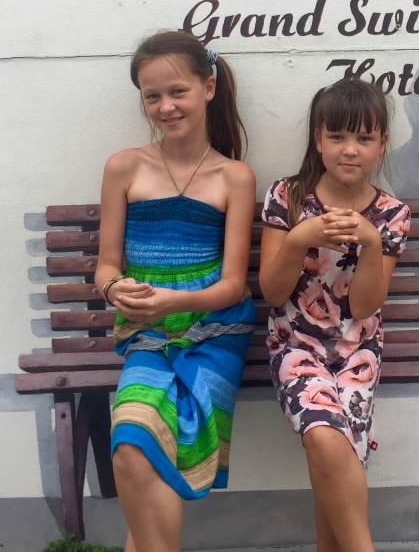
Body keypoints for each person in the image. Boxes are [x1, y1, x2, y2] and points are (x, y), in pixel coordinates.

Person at [94, 31, 256, 552]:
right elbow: (106, 266)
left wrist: (177, 301)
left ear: (208, 87)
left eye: (177, 91)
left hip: (216, 331)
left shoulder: (234, 177)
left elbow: (233, 285)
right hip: (146, 331)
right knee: (130, 446)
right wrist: (116, 289)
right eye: (152, 96)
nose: (165, 106)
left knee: (149, 451)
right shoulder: (124, 167)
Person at [259, 78, 410, 552]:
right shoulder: (287, 196)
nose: (350, 150)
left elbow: (364, 307)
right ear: (318, 140)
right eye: (338, 136)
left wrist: (370, 242)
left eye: (364, 138)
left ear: (382, 143)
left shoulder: (391, 214)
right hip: (295, 346)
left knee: (337, 456)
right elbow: (272, 292)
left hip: (357, 353)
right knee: (327, 439)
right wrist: (300, 239)